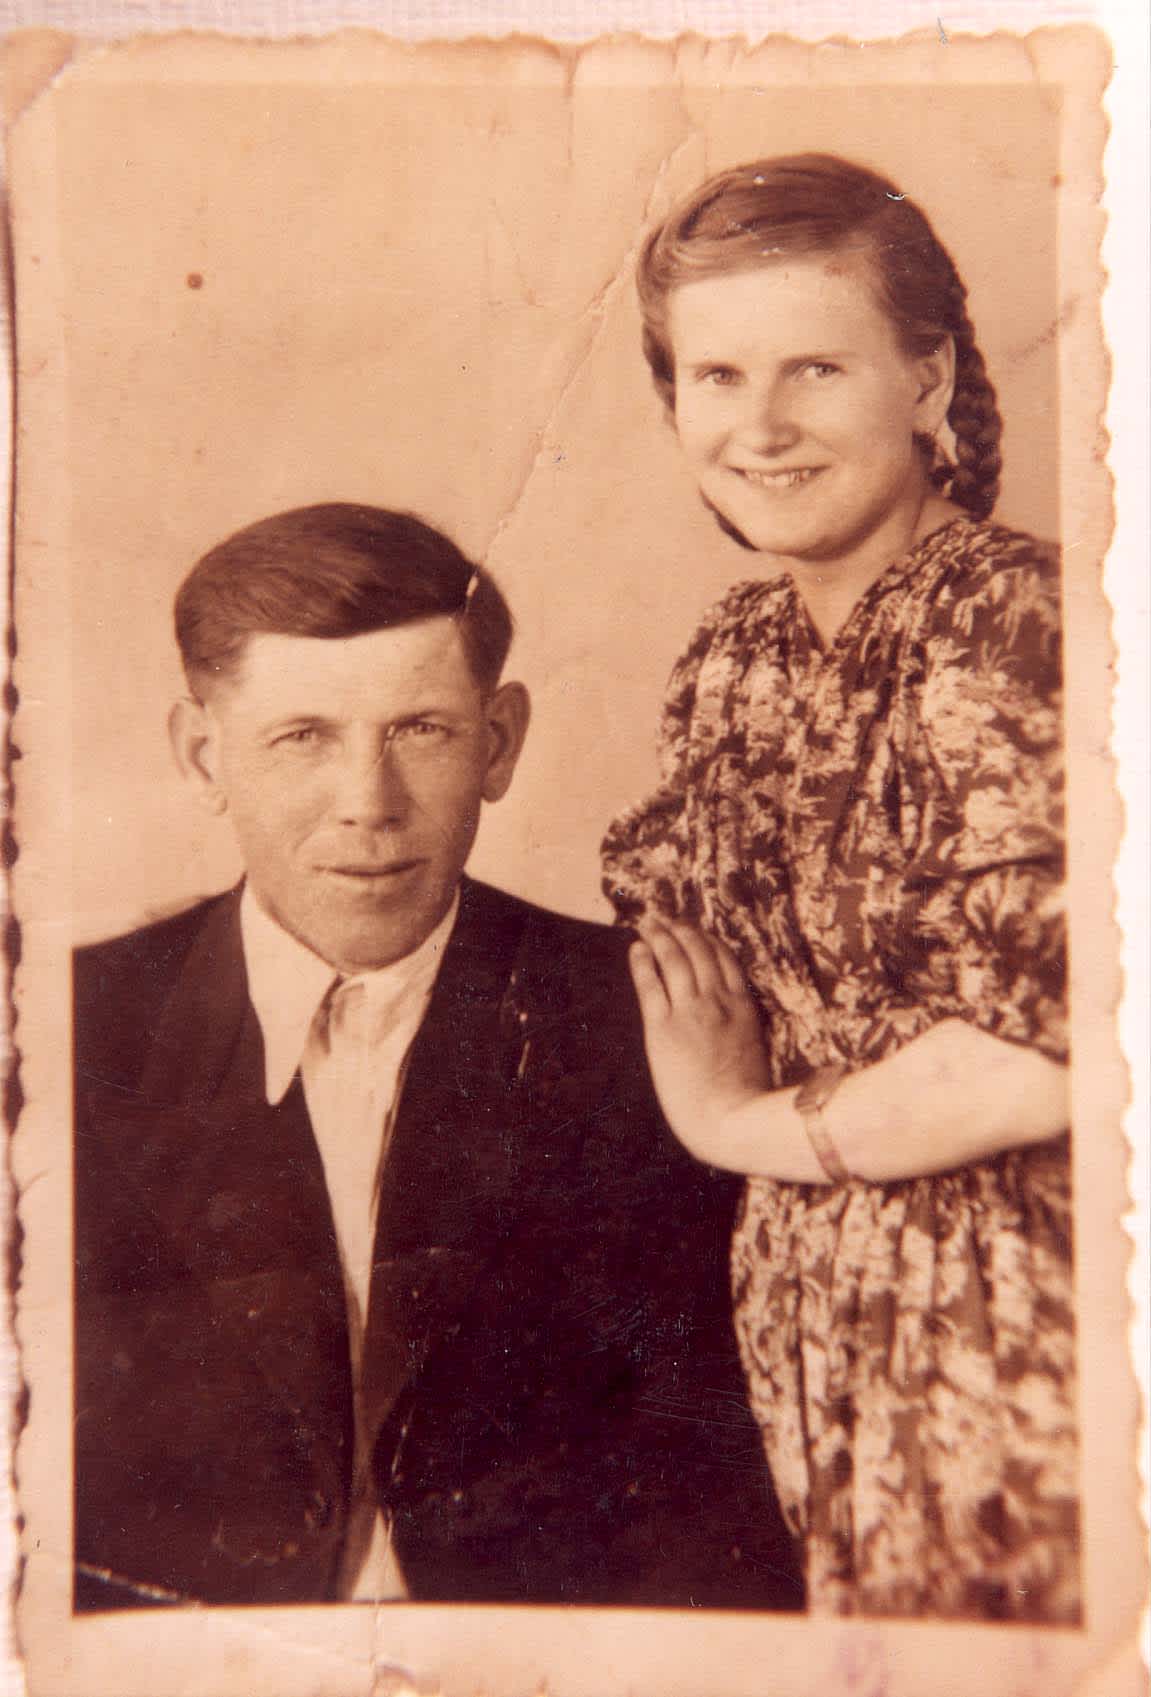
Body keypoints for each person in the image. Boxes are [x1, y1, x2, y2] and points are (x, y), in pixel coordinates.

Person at [73, 502, 803, 1613]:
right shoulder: (67, 1026)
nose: (367, 805)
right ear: (200, 753)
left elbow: (708, 1479)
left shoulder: (650, 1018)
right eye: (300, 736)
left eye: (420, 729)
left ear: (498, 740)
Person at [601, 154, 1078, 1623]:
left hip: (1011, 1307)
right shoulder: (733, 655)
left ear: (925, 380)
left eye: (814, 365)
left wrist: (731, 1123)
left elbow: (1051, 1041)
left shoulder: (1015, 620)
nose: (757, 426)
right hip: (814, 1317)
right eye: (715, 374)